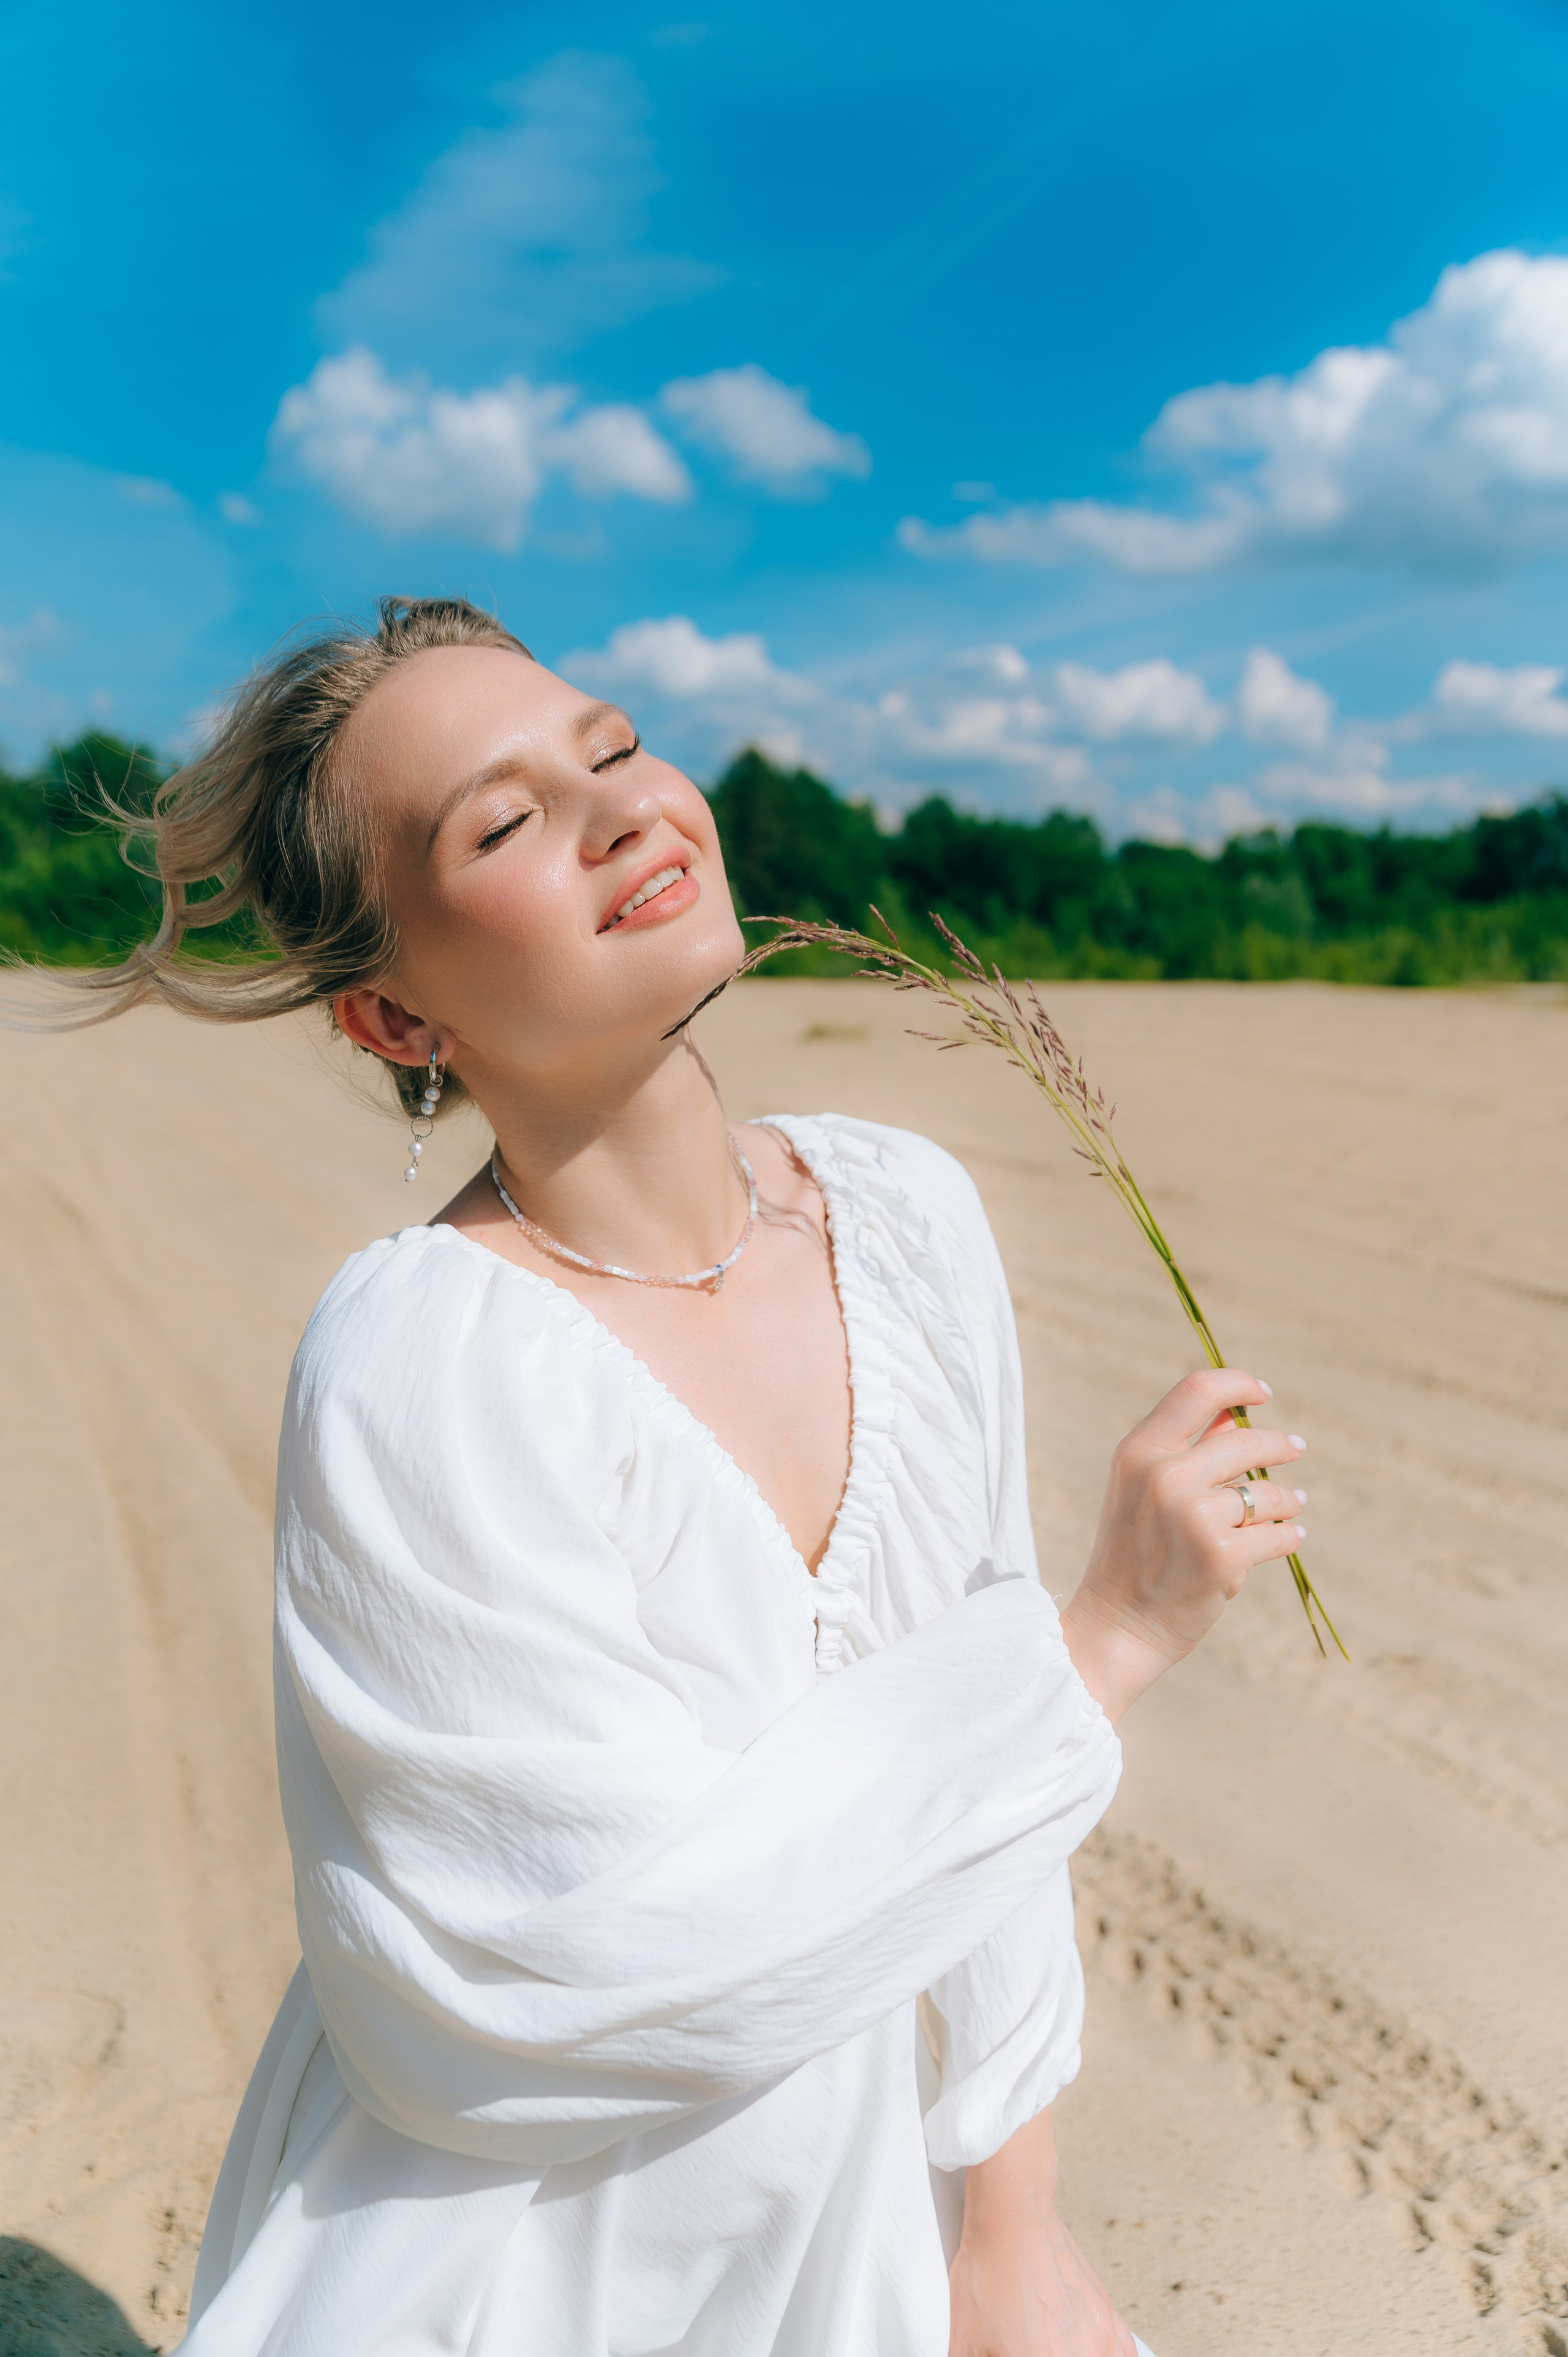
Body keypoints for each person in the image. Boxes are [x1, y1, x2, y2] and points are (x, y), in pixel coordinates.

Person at [43, 597, 1308, 2357]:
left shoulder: (908, 1212)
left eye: (616, 747)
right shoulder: (423, 1358)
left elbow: (988, 1799)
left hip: (901, 2213)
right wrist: (1103, 1647)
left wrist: (1010, 2230)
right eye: (503, 823)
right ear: (394, 1017)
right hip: (552, 2259)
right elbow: (575, 1966)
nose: (622, 811)